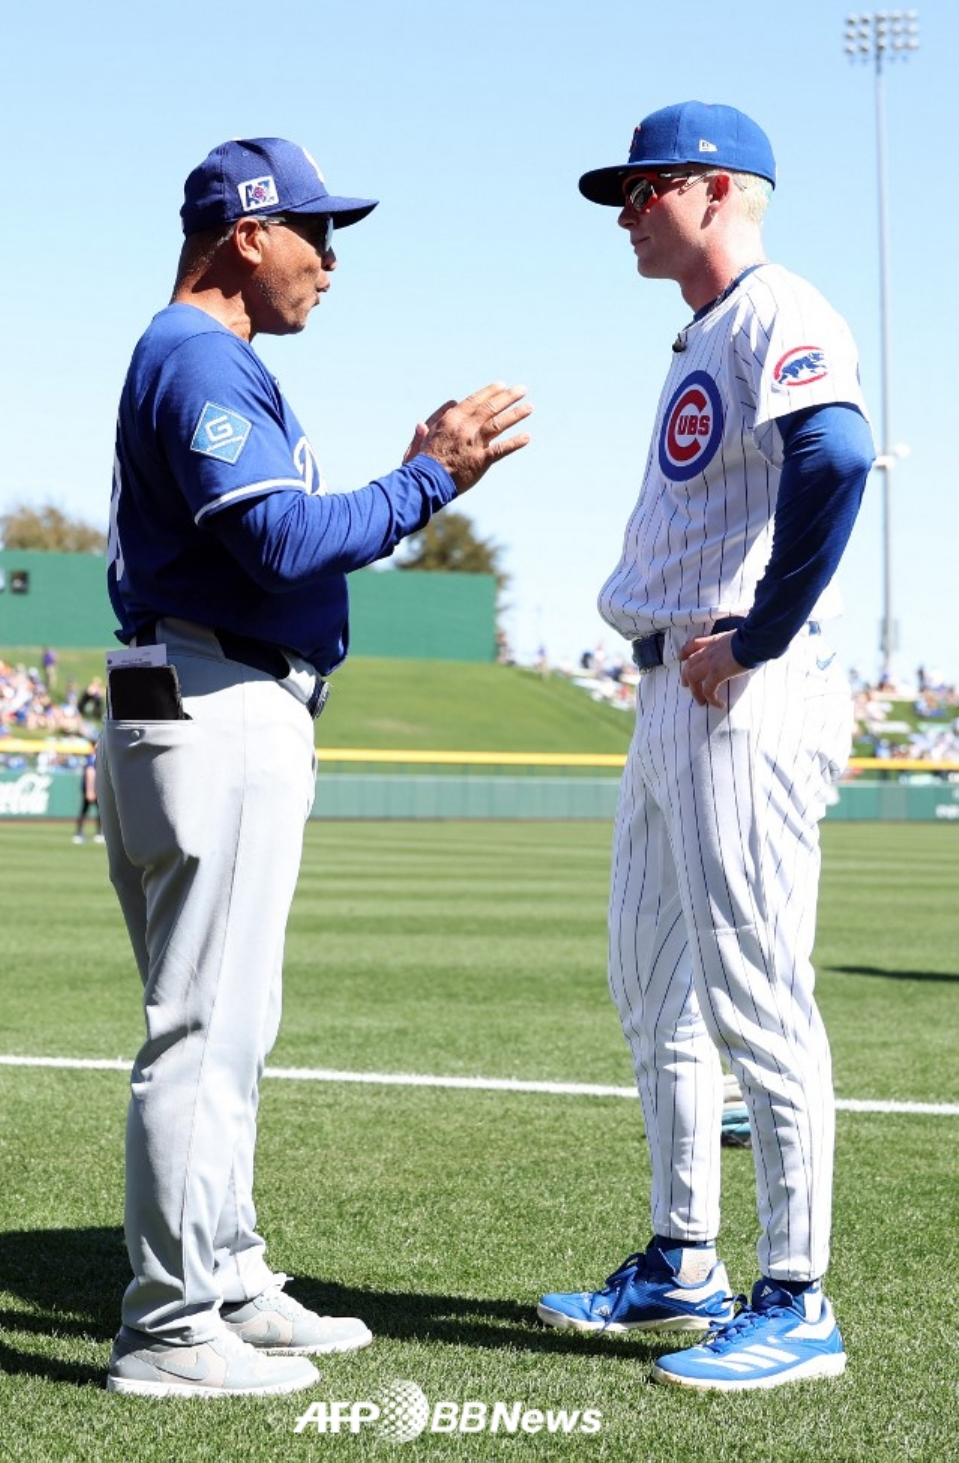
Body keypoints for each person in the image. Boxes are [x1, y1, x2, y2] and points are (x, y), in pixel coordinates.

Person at [98, 135, 531, 1400]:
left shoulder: (197, 356)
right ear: (247, 234)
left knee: (230, 1022)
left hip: (190, 685)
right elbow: (284, 542)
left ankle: (225, 1273)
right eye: (316, 233)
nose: (331, 263)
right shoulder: (199, 354)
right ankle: (171, 1325)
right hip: (217, 692)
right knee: (203, 1026)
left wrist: (416, 479)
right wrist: (427, 477)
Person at [536, 102, 874, 1392]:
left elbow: (837, 454)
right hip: (673, 685)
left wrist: (759, 636)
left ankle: (797, 1299)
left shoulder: (779, 305)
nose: (625, 212)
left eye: (645, 188)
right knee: (651, 988)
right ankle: (684, 1259)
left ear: (718, 188)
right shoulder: (707, 328)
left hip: (739, 688)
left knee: (756, 993)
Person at [72, 746, 103, 843]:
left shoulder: (94, 757)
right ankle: (81, 833)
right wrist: (90, 790)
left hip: (94, 789)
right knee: (89, 811)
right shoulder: (93, 758)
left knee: (92, 812)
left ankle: (81, 833)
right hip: (93, 789)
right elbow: (90, 773)